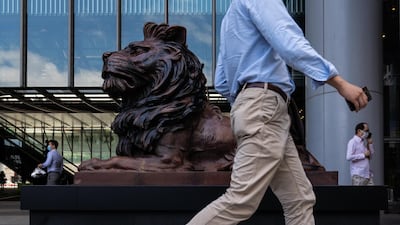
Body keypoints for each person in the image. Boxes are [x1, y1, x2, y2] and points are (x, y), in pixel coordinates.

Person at [186, 1, 369, 225]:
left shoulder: (230, 16)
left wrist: (247, 104)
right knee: (240, 201)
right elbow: (290, 43)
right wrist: (339, 83)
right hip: (264, 109)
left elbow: (223, 80)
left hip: (259, 109)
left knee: (299, 199)